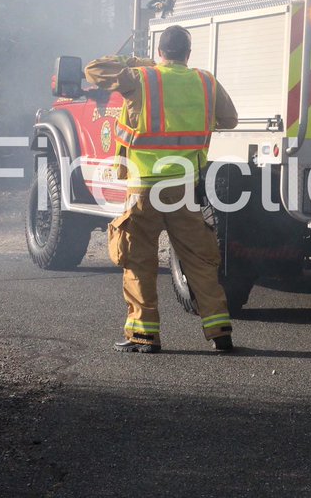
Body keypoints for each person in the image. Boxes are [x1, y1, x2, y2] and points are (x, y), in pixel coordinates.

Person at [85, 25, 240, 354]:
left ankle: (144, 337)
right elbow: (229, 120)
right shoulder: (205, 82)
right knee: (199, 261)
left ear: (160, 53)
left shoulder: (141, 79)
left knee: (139, 261)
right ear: (188, 53)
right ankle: (219, 332)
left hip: (144, 188)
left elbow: (94, 70)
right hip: (184, 187)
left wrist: (133, 61)